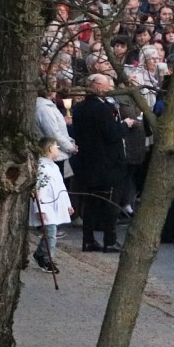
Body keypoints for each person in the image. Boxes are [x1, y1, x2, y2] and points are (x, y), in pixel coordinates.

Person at [70, 73, 132, 252]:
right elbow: (111, 134)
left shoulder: (79, 108)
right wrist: (125, 125)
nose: (109, 88)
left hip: (88, 162)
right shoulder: (103, 109)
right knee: (111, 202)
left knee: (90, 202)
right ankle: (110, 240)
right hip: (108, 163)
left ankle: (88, 239)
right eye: (107, 85)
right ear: (97, 86)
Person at [30, 137, 73, 275]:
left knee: (50, 233)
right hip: (46, 206)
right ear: (49, 149)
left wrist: (67, 204)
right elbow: (39, 190)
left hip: (54, 204)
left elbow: (61, 188)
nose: (57, 150)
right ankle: (48, 259)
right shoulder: (42, 168)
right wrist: (39, 208)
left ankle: (40, 253)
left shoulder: (54, 167)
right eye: (56, 147)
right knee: (51, 234)